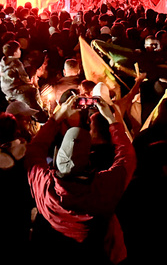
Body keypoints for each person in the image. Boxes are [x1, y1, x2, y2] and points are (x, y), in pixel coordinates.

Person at [26, 96, 136, 264]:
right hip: (98, 257)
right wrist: (112, 120)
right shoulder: (102, 187)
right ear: (88, 159)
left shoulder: (43, 184)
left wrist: (57, 116)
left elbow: (35, 149)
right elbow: (127, 158)